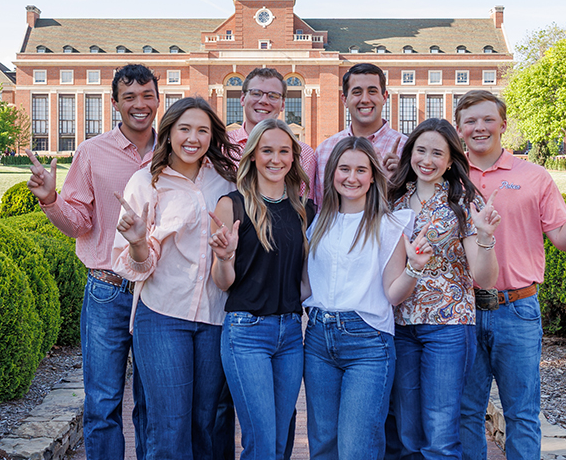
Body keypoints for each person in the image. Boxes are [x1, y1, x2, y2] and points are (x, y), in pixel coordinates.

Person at [454, 90, 566, 460]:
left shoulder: (533, 177)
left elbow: (563, 240)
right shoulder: (452, 174)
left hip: (517, 309)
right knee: (465, 412)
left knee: (522, 415)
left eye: (487, 119)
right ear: (460, 128)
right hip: (461, 312)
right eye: (470, 121)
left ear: (503, 124)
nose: (479, 127)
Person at [26, 63, 158, 460]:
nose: (140, 104)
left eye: (147, 95)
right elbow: (80, 222)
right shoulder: (91, 153)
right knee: (102, 403)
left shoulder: (174, 151)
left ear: (158, 99)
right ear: (115, 102)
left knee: (153, 404)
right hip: (108, 289)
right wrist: (51, 199)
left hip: (159, 292)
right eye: (130, 97)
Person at [112, 96, 239, 460]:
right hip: (164, 315)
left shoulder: (226, 182)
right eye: (184, 128)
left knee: (207, 424)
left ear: (212, 136)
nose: (193, 138)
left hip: (216, 316)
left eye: (202, 130)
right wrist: (138, 242)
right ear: (169, 133)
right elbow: (137, 266)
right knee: (169, 426)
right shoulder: (145, 182)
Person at [302, 136, 431, 460]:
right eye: (344, 168)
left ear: (373, 176)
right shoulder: (318, 222)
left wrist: (414, 269)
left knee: (356, 448)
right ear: (332, 173)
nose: (352, 177)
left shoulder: (389, 225)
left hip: (368, 343)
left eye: (361, 170)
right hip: (318, 339)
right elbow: (304, 286)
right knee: (323, 447)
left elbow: (393, 293)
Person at [386, 118, 501, 459]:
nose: (428, 159)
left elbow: (486, 277)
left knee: (439, 434)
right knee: (407, 431)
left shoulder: (461, 201)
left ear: (451, 160)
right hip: (399, 324)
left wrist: (484, 236)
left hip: (447, 327)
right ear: (410, 154)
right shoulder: (393, 200)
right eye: (421, 150)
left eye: (438, 153)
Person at [208, 118, 315, 460]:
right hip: (246, 332)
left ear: (293, 157)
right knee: (262, 442)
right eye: (267, 150)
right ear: (253, 155)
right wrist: (224, 258)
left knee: (280, 439)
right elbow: (223, 282)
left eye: (284, 151)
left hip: (289, 334)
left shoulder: (303, 210)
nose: (276, 159)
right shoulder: (232, 205)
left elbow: (305, 278)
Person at [314, 63, 405, 208]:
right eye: (357, 92)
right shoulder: (325, 150)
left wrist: (395, 184)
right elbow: (320, 208)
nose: (365, 99)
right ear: (344, 99)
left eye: (372, 91)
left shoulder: (405, 149)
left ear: (384, 97)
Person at [228, 67, 318, 197]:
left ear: (282, 104)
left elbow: (304, 205)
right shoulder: (222, 145)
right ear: (242, 99)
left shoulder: (304, 153)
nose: (264, 101)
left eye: (273, 96)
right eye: (256, 93)